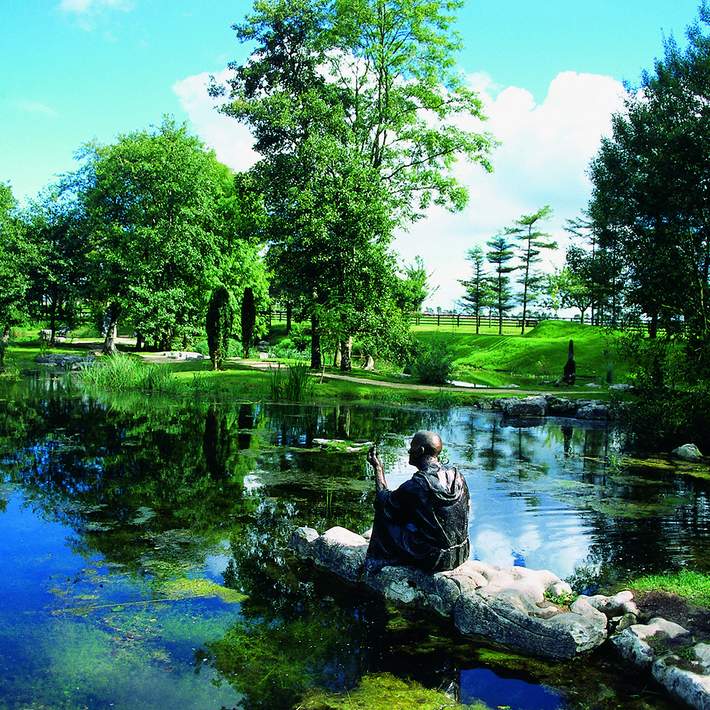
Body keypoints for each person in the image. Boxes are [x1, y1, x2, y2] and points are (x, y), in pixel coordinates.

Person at [365, 431, 470, 573]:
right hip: (460, 553)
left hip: (435, 559)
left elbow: (383, 501)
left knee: (384, 512)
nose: (409, 450)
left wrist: (378, 469)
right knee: (406, 512)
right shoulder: (457, 475)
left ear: (420, 451)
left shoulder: (417, 485)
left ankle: (375, 563)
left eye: (411, 446)